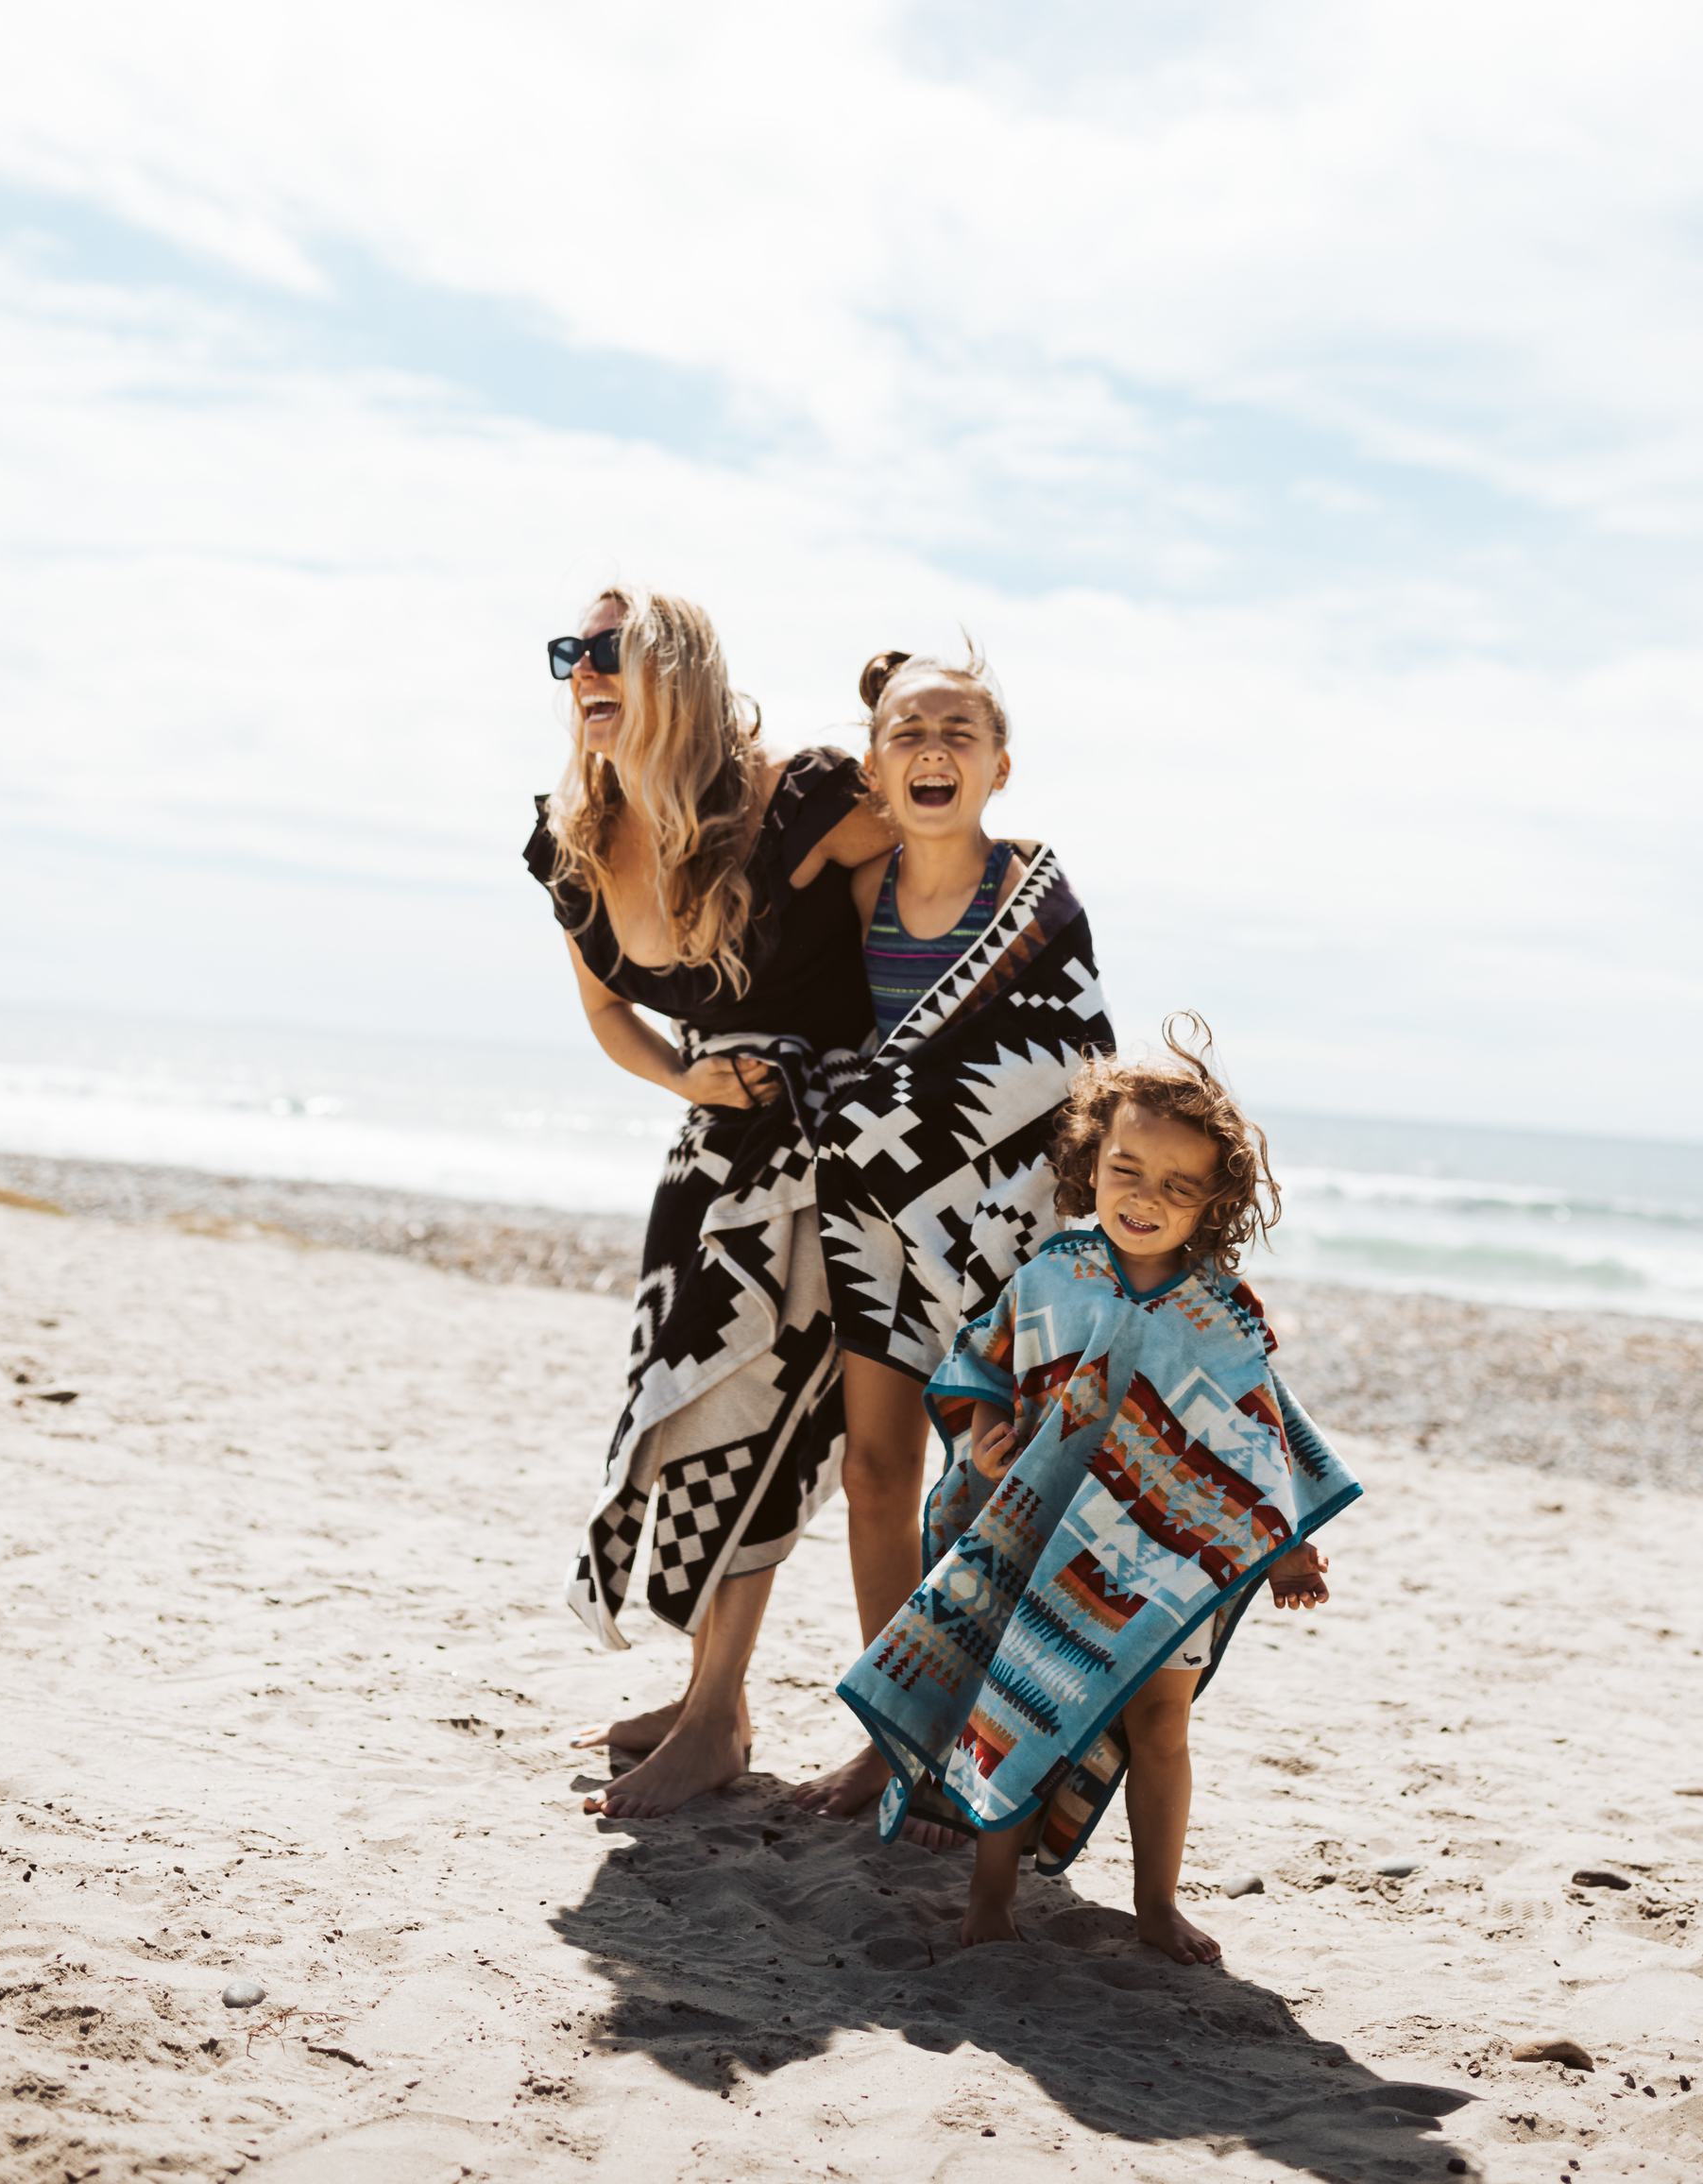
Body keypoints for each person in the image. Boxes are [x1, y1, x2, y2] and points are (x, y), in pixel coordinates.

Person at [837, 1019, 1360, 1961]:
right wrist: (977, 1439)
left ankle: (1153, 1904)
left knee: (1160, 1725)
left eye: (1176, 1186)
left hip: (1168, 1557)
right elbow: (976, 1366)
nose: (1144, 1197)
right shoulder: (1050, 1278)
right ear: (1091, 1162)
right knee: (1024, 1700)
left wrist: (1283, 1547)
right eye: (1126, 1170)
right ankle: (989, 1889)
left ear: (1212, 1202)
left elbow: (1253, 1439)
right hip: (1046, 1547)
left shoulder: (1222, 1313)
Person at [523, 585, 893, 1817]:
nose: (581, 668)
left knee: (769, 1428)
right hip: (712, 1160)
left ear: (676, 671)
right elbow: (602, 1015)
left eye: (608, 650)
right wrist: (690, 1072)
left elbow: (941, 894)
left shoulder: (802, 799)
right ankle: (708, 1702)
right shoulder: (571, 840)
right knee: (689, 1414)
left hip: (833, 1163)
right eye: (567, 651)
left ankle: (716, 1718)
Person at [792, 645, 1115, 1836]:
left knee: (992, 1488)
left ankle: (989, 1742)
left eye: (957, 732)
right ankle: (891, 1739)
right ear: (874, 765)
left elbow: (1072, 1058)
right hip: (873, 1222)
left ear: (998, 765)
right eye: (906, 731)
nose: (932, 748)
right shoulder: (848, 896)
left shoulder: (1034, 892)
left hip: (1004, 1229)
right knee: (875, 1473)